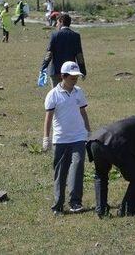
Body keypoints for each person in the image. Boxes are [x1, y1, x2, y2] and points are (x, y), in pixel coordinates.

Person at [42, 61, 91, 215]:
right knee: (60, 172)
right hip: (61, 139)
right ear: (63, 76)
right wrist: (46, 138)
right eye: (72, 77)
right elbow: (48, 118)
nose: (75, 80)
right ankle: (58, 205)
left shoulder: (78, 92)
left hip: (78, 137)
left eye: (77, 77)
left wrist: (89, 132)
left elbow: (83, 112)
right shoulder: (53, 95)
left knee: (77, 167)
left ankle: (75, 202)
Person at [40, 13, 87, 88]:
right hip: (69, 72)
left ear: (61, 21)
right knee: (68, 94)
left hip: (56, 71)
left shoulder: (55, 35)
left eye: (57, 22)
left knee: (56, 95)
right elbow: (79, 56)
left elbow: (49, 53)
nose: (56, 25)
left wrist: (43, 67)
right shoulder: (76, 36)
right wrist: (83, 70)